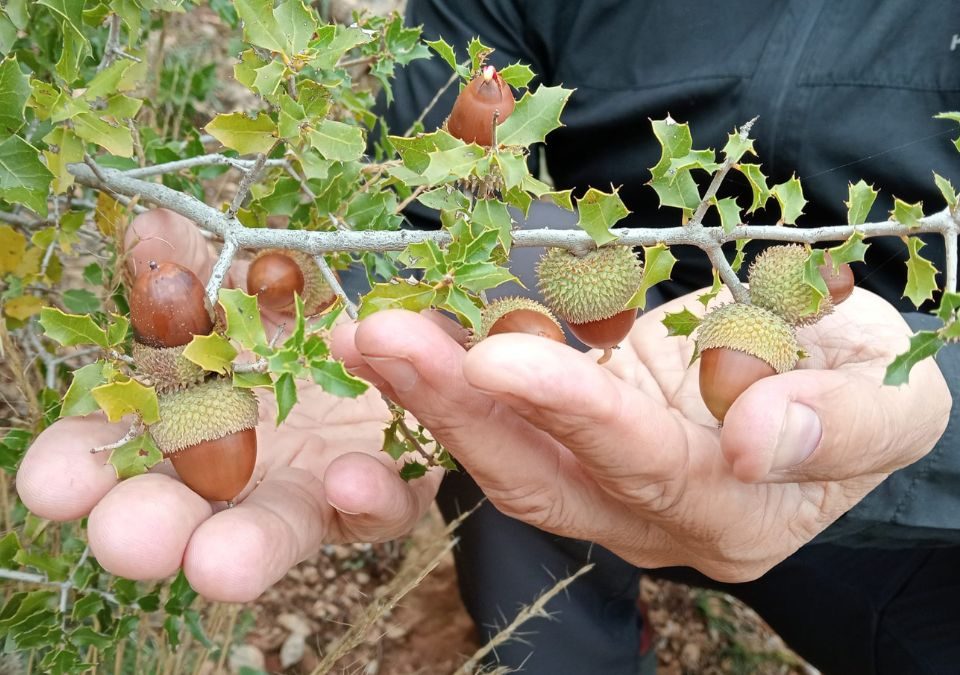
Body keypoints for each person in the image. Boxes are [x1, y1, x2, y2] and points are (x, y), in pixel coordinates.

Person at [16, 1, 960, 673]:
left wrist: (929, 404)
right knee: (535, 619)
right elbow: (459, 67)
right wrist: (449, 173)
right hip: (527, 390)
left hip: (914, 521)